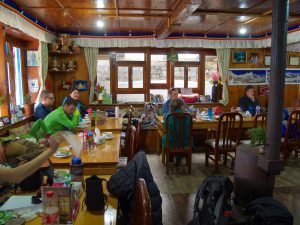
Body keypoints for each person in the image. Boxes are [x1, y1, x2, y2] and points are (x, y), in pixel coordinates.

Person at [162, 98, 191, 165]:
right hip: (185, 142)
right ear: (181, 106)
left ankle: (170, 157)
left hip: (170, 142)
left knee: (165, 135)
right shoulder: (188, 116)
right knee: (188, 136)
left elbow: (166, 129)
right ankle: (180, 156)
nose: (184, 107)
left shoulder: (167, 116)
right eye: (184, 105)